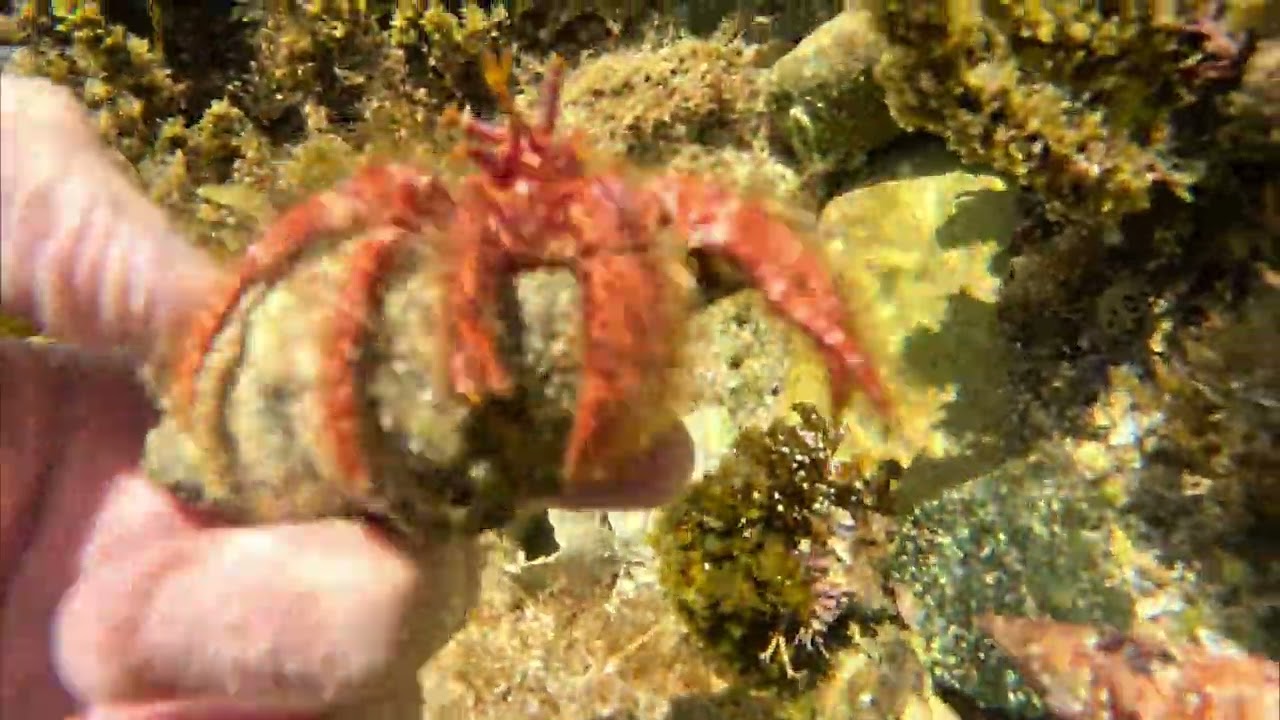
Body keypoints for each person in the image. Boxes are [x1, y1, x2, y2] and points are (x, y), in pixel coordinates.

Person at [0, 74, 694, 720]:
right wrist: (212, 314)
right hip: (245, 441)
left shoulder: (597, 217)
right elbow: (354, 223)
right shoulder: (444, 208)